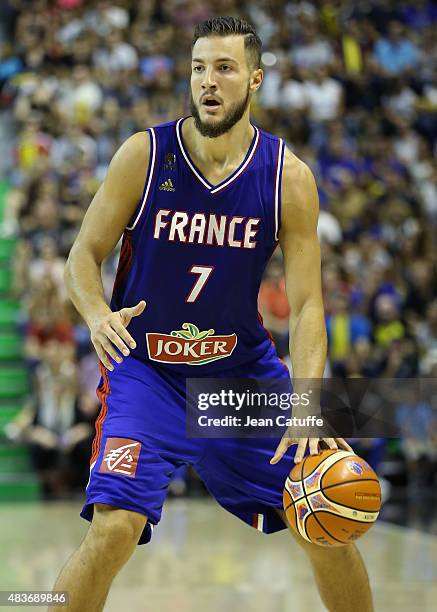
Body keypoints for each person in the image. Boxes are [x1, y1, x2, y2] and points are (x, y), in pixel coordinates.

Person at [49, 17, 372, 612]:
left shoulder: (287, 178)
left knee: (326, 514)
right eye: (199, 68)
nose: (208, 82)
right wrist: (97, 315)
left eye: (224, 68)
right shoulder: (144, 156)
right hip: (148, 372)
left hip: (237, 377)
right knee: (114, 527)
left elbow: (305, 307)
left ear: (254, 79)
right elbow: (82, 255)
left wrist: (306, 402)